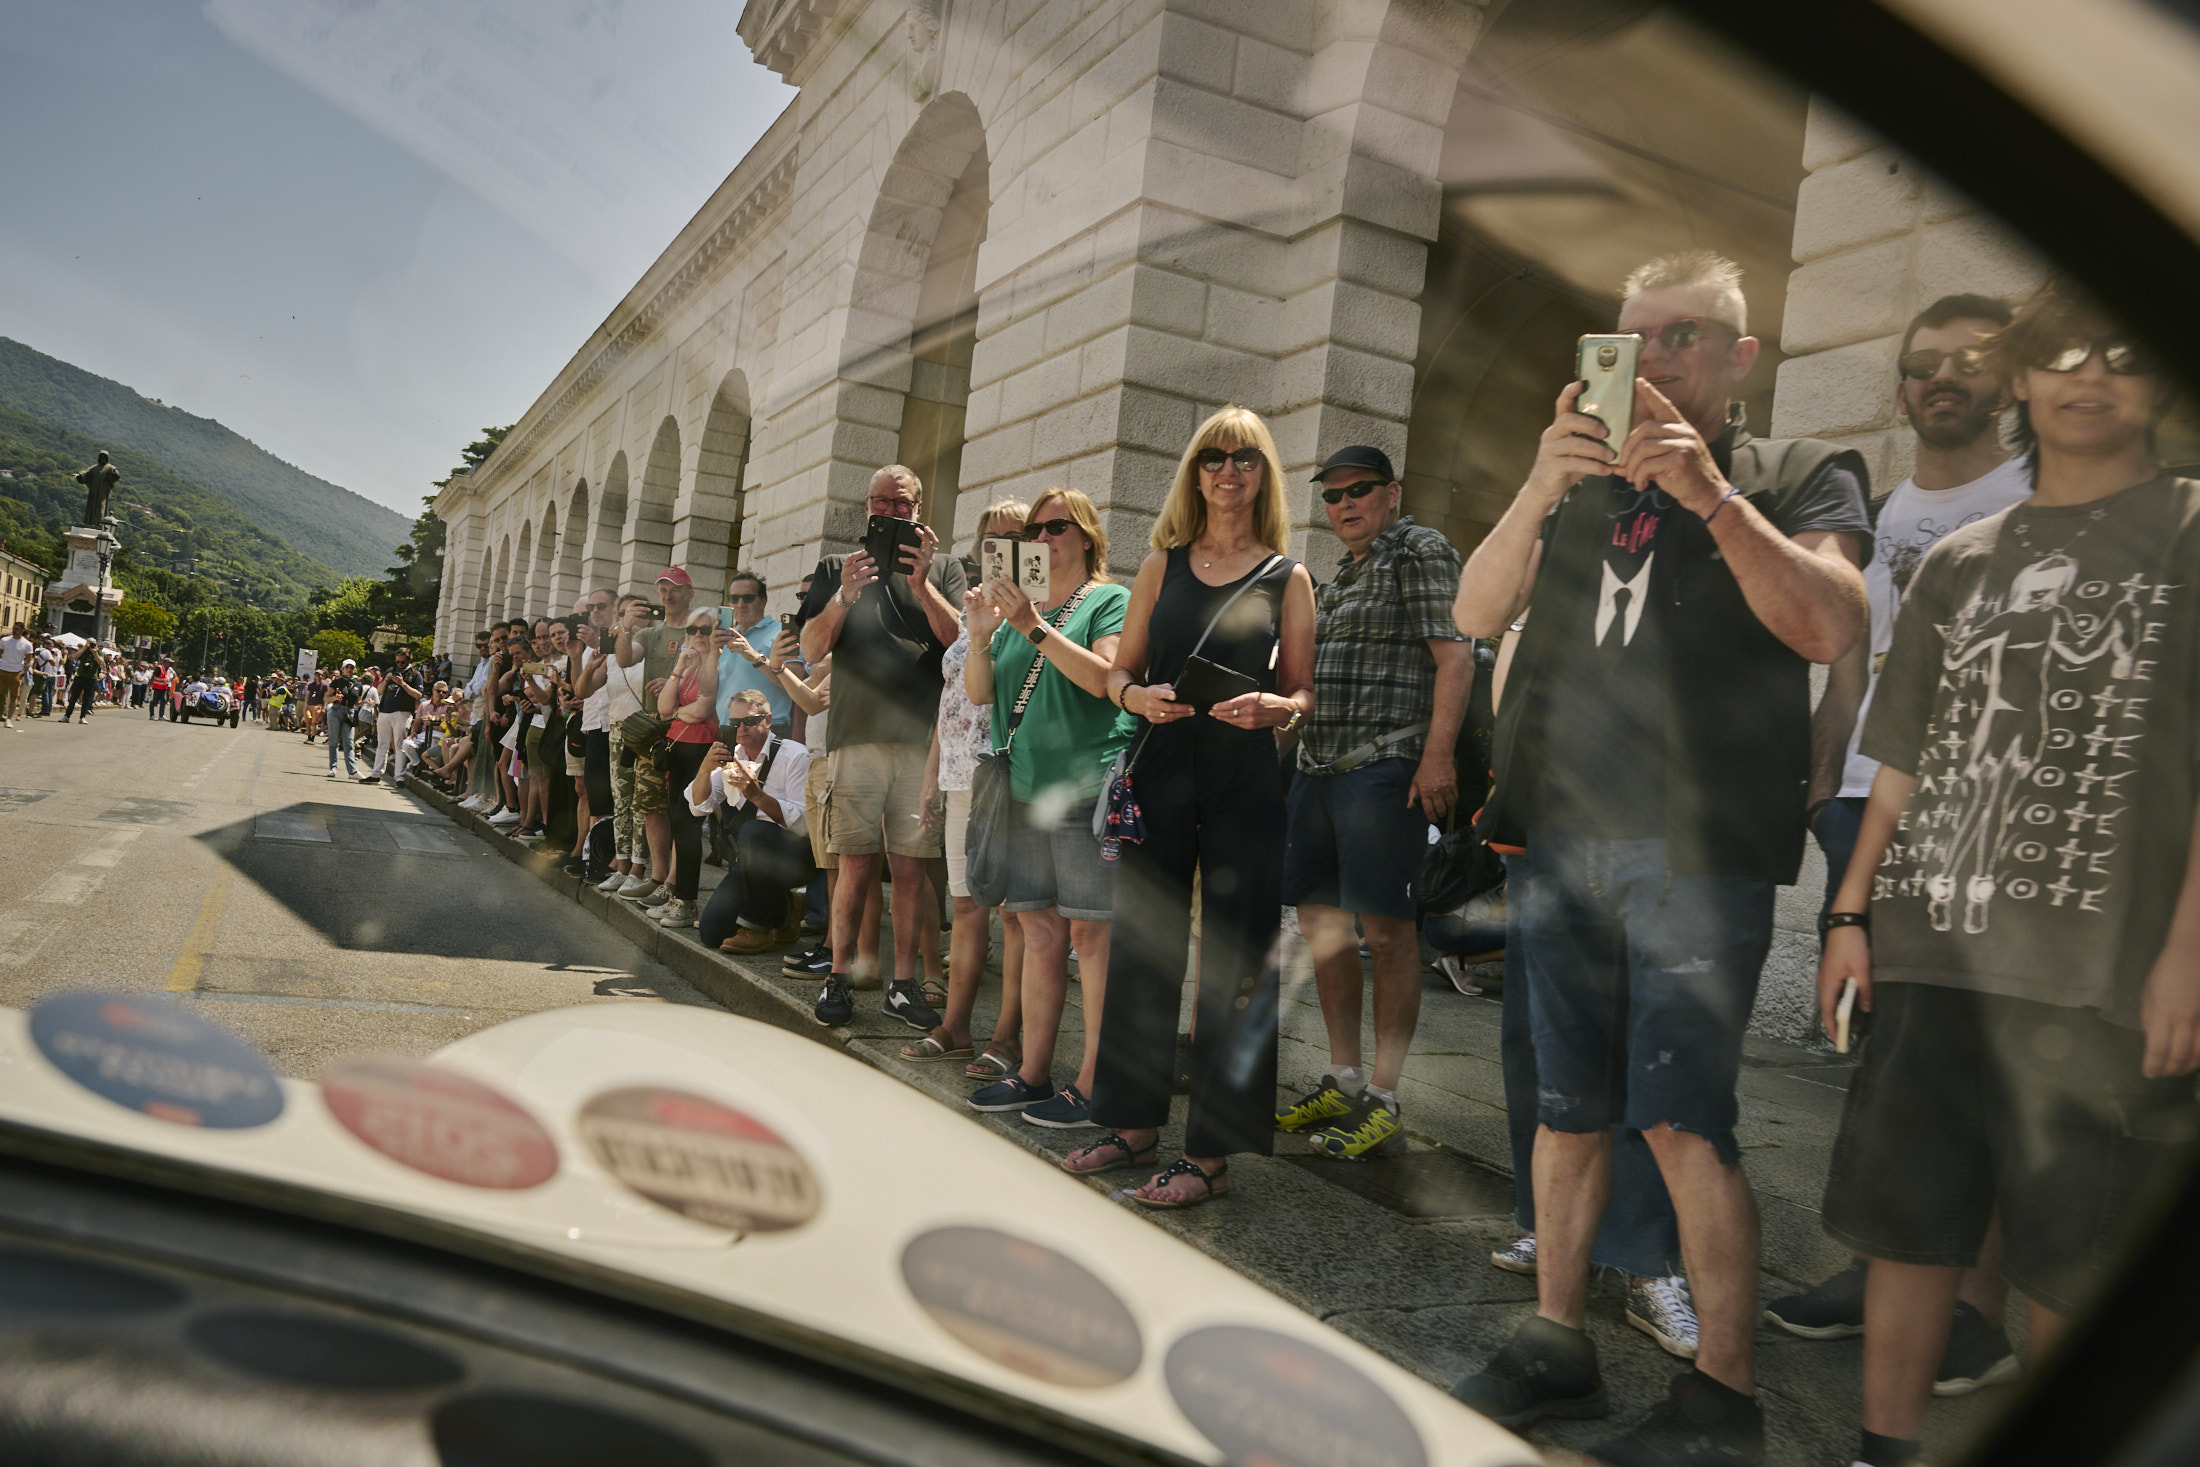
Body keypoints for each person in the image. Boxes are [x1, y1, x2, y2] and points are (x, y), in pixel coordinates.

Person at [1448, 249, 1871, 1464]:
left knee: (1683, 1122)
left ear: (1741, 356)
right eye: (1638, 336)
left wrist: (1710, 495)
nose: (1658, 358)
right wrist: (1539, 483)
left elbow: (1829, 624)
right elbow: (1475, 615)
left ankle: (1724, 1399)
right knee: (1567, 1114)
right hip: (1563, 836)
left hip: (1699, 849)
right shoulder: (1575, 482)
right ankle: (1554, 1341)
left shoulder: (1795, 471)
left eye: (1687, 335)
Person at [1818, 280, 2200, 1467]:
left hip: (2101, 974)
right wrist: (1848, 914)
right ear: (2021, 382)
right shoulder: (1960, 560)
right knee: (1907, 1230)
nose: (2089, 374)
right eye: (2062, 354)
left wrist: (2185, 957)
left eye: (2121, 353)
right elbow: (1901, 759)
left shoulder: (2189, 530)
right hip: (1932, 946)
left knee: (2077, 1255)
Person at [1767, 295, 2032, 1392]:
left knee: (1984, 1066)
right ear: (1901, 385)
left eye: (1968, 362)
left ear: (2010, 380)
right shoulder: (1880, 512)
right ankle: (1886, 1265)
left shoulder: (2034, 499)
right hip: (1862, 807)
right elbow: (1851, 665)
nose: (1941, 379)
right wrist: (1821, 783)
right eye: (1922, 364)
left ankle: (1975, 1306)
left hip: (1978, 820)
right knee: (1885, 1057)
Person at [1069, 405, 1316, 1207]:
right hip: (1163, 763)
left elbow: (1303, 690)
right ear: (1195, 472)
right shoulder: (1160, 565)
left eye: (1246, 458)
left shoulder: (1288, 576)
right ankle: (1131, 1124)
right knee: (1144, 948)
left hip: (1245, 773)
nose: (1228, 470)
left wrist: (1282, 709)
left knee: (1235, 961)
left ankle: (1209, 1155)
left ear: (1264, 474)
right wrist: (1135, 696)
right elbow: (1120, 671)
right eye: (1214, 456)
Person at [1276, 444, 1471, 1161]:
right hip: (1320, 768)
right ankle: (1344, 1078)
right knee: (1321, 925)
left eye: (1359, 489)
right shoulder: (1343, 573)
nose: (1344, 503)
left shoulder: (1418, 549)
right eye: (1332, 495)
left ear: (1392, 492)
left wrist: (1438, 755)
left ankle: (1384, 1098)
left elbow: (1456, 655)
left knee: (1387, 934)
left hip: (1385, 767)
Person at [961, 489, 1137, 1128]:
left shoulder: (1107, 600)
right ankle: (1033, 1074)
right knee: (1037, 933)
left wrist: (1033, 626)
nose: (1040, 539)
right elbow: (982, 696)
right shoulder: (1018, 610)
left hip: (1086, 789)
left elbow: (1106, 679)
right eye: (1032, 531)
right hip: (1023, 794)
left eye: (1055, 527)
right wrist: (981, 637)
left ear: (1086, 534)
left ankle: (1095, 1085)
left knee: (1091, 937)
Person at [797, 465, 967, 1029]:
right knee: (854, 864)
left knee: (911, 870)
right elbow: (811, 649)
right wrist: (845, 596)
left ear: (918, 510)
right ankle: (838, 975)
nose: (890, 513)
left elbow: (960, 644)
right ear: (867, 507)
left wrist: (923, 585)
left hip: (921, 741)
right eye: (880, 503)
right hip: (856, 735)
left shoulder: (945, 567)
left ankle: (903, 983)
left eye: (901, 504)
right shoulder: (835, 567)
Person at [902, 502, 1031, 1077]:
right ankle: (955, 1027)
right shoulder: (973, 604)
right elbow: (951, 697)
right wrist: (931, 775)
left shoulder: (1039, 608)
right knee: (965, 906)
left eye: (1014, 536)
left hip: (1004, 773)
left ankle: (1007, 1038)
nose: (999, 546)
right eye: (990, 536)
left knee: (1014, 914)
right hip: (958, 777)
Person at [690, 689, 815, 950]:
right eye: (734, 723)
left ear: (767, 720)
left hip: (795, 857)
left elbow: (805, 826)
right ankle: (789, 906)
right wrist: (705, 767)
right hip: (751, 862)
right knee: (711, 934)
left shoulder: (795, 755)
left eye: (749, 721)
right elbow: (699, 807)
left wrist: (757, 796)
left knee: (754, 831)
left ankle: (758, 927)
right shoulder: (732, 756)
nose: (741, 729)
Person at [614, 570, 704, 905]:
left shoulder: (699, 629)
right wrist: (626, 627)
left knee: (681, 806)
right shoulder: (651, 633)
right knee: (651, 804)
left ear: (690, 593)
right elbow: (624, 658)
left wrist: (673, 682)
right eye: (663, 590)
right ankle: (658, 876)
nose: (668, 596)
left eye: (675, 589)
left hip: (688, 725)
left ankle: (674, 881)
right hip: (654, 728)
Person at [648, 609, 722, 927]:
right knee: (678, 822)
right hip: (677, 749)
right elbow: (664, 707)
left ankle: (687, 900)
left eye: (706, 629)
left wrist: (680, 710)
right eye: (693, 630)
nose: (699, 635)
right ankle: (679, 894)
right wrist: (679, 667)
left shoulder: (715, 664)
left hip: (702, 749)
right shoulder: (690, 665)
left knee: (689, 824)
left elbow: (704, 709)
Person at [714, 570, 791, 735]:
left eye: (748, 598)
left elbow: (794, 685)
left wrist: (755, 657)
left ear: (763, 601)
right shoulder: (725, 637)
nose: (740, 604)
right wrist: (711, 652)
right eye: (734, 599)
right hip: (728, 728)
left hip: (767, 728)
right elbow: (708, 689)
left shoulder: (781, 633)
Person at [366, 645, 425, 785]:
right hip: (385, 711)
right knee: (382, 744)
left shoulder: (415, 674)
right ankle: (376, 773)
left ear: (408, 660)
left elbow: (418, 695)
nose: (399, 665)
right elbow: (379, 691)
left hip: (402, 712)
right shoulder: (390, 671)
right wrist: (386, 680)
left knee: (399, 744)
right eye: (397, 662)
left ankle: (399, 777)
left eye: (402, 662)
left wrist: (403, 683)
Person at [325, 659, 364, 776]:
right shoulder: (336, 682)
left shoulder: (358, 685)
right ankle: (333, 768)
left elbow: (357, 703)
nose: (349, 670)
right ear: (343, 669)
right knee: (334, 741)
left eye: (351, 668)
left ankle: (352, 771)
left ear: (354, 669)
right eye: (347, 667)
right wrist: (335, 698)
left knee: (348, 742)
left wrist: (365, 702)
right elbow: (327, 698)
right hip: (336, 711)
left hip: (349, 713)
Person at [60, 644, 103, 723]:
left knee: (86, 698)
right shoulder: (83, 650)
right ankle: (67, 716)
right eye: (89, 643)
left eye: (93, 644)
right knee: (73, 697)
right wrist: (84, 648)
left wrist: (95, 653)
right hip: (80, 676)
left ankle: (82, 717)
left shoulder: (99, 652)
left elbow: (101, 663)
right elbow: (75, 657)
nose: (91, 646)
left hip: (91, 677)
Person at [0, 622, 30, 727]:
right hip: (2, 669)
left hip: (16, 672)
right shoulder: (4, 640)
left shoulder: (26, 644)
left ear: (22, 630)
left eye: (17, 629)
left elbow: (29, 660)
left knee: (14, 696)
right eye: (14, 628)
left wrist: (24, 671)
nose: (14, 630)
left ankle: (9, 719)